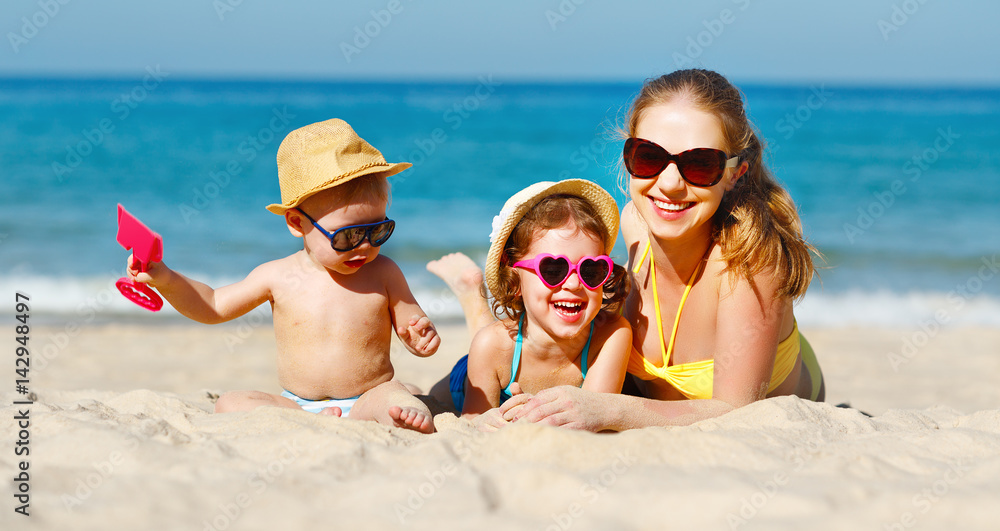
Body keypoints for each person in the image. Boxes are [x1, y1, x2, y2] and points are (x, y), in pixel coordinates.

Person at [453, 69, 823, 430]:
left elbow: (737, 414)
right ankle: (474, 296)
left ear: (733, 174)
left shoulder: (750, 260)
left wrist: (608, 409)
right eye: (650, 157)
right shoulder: (634, 226)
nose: (671, 184)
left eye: (699, 164)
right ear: (628, 160)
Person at [126, 118, 440, 433]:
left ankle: (396, 409)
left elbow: (410, 326)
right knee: (230, 403)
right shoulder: (276, 276)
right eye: (348, 236)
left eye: (379, 230)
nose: (366, 246)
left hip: (366, 396)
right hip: (297, 404)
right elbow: (213, 305)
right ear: (296, 223)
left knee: (393, 394)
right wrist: (164, 278)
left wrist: (419, 338)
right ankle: (315, 420)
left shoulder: (384, 271)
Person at [427, 180, 632, 429]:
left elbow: (595, 416)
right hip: (471, 377)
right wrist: (487, 420)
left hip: (501, 351)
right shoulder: (491, 346)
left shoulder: (612, 335)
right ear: (515, 280)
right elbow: (472, 420)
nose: (575, 283)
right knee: (429, 396)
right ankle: (471, 290)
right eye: (554, 269)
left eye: (591, 269)